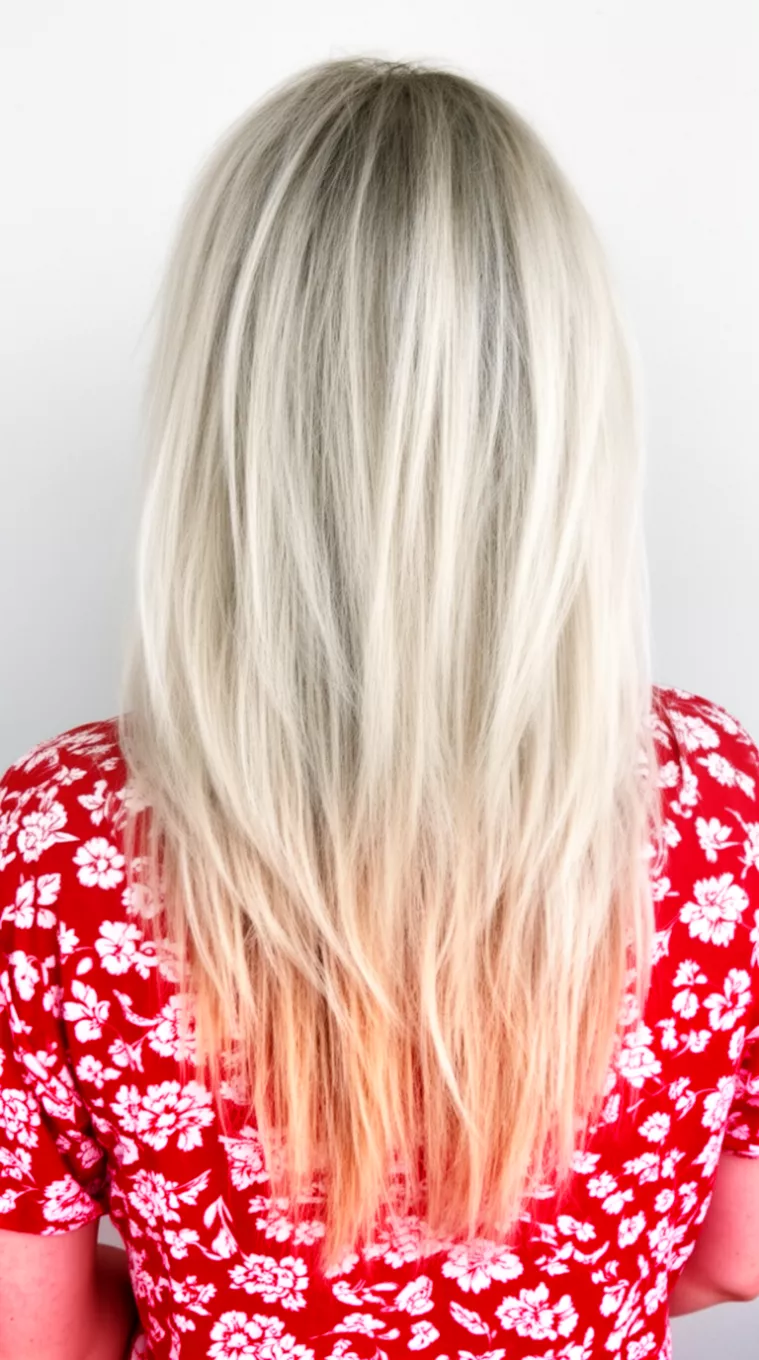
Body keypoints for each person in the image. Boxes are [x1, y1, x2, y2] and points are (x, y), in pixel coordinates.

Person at [0, 56, 757, 1360]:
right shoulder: (724, 825)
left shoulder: (53, 851)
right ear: (565, 408)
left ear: (225, 412)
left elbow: (38, 1337)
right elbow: (738, 1250)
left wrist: (228, 1305)